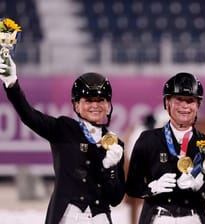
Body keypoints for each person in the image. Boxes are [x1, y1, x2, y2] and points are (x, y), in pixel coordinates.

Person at [0, 57, 125, 224]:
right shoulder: (63, 129)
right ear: (76, 106)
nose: (95, 105)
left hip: (99, 218)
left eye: (100, 100)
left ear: (108, 105)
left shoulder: (115, 144)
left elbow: (115, 199)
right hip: (67, 216)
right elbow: (29, 116)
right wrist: (12, 84)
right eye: (88, 100)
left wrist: (110, 169)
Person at [125, 72, 205, 224]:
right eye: (179, 100)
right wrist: (152, 188)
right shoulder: (148, 140)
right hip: (157, 218)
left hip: (194, 218)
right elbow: (132, 187)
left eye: (190, 101)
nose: (184, 106)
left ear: (198, 105)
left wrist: (200, 185)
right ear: (167, 103)